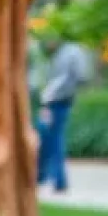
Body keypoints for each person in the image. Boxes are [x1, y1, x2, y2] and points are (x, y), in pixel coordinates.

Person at [37, 33, 90, 193]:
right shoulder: (65, 52)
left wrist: (49, 96)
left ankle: (58, 181)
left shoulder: (69, 52)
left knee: (54, 139)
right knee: (48, 138)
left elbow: (76, 77)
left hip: (57, 102)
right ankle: (43, 177)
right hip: (56, 102)